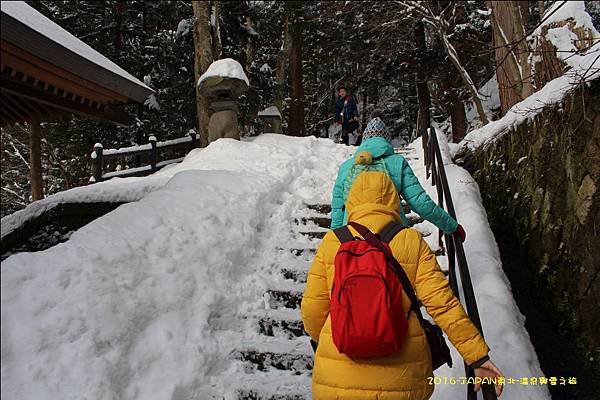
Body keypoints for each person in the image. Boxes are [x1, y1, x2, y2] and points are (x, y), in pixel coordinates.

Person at [301, 169, 504, 399]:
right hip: (403, 379)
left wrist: (337, 335)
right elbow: (442, 304)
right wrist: (477, 357)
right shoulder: (411, 241)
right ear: (393, 199)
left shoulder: (332, 241)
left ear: (352, 199)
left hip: (336, 378)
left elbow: (312, 311)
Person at [330, 117, 466, 241]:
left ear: (364, 140)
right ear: (386, 140)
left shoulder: (346, 167)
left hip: (353, 236)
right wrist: (451, 226)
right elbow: (420, 202)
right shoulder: (397, 162)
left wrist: (336, 240)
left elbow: (338, 210)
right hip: (392, 235)